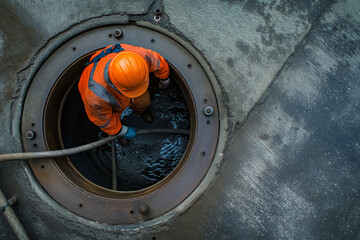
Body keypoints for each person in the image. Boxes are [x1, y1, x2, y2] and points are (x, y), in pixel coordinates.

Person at [78, 43, 170, 141]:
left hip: (129, 86)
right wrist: (121, 131)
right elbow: (103, 120)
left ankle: (142, 111)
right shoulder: (95, 96)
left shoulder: (136, 57)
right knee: (113, 117)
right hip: (110, 101)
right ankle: (119, 134)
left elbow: (157, 61)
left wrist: (165, 79)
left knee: (143, 100)